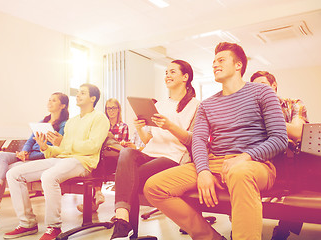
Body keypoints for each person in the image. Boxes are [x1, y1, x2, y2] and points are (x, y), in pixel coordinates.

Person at [144, 42, 289, 240]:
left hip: (254, 164)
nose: (214, 65)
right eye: (213, 62)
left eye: (221, 60)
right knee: (155, 186)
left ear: (238, 65)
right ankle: (210, 237)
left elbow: (280, 138)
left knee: (240, 172)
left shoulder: (262, 93)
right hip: (215, 163)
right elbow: (199, 141)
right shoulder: (207, 104)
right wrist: (203, 170)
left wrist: (244, 157)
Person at [4, 84, 110, 240]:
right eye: (78, 92)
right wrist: (45, 147)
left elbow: (92, 146)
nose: (78, 95)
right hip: (63, 159)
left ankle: (54, 227)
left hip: (83, 162)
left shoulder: (99, 118)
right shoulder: (72, 121)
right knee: (13, 174)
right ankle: (27, 223)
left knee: (48, 176)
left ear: (93, 98)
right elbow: (62, 149)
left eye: (83, 93)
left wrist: (64, 144)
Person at [110, 60, 200, 240]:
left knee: (130, 177)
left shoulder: (196, 105)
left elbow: (193, 140)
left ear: (185, 77)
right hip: (151, 153)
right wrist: (140, 127)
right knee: (126, 153)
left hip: (174, 156)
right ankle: (124, 221)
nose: (167, 75)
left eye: (172, 72)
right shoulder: (159, 105)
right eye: (166, 72)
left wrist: (170, 126)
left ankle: (125, 230)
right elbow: (148, 140)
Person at [0, 92, 69, 233]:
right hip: (29, 155)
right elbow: (29, 141)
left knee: (6, 169)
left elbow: (56, 149)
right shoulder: (42, 122)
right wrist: (24, 152)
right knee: (1, 156)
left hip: (42, 157)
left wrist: (29, 156)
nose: (49, 102)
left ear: (63, 105)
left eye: (54, 100)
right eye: (49, 99)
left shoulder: (64, 125)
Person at [250, 71, 308, 240]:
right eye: (255, 88)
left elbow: (297, 132)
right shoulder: (251, 109)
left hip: (290, 162)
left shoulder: (294, 104)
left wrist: (270, 119)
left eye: (262, 85)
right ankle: (243, 229)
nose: (258, 91)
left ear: (274, 86)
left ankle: (283, 230)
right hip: (263, 159)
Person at [76, 98, 129, 212]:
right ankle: (96, 196)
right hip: (102, 157)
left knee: (97, 158)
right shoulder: (102, 124)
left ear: (118, 109)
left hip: (115, 157)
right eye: (108, 108)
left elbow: (122, 148)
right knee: (96, 159)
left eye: (113, 108)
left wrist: (115, 140)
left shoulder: (123, 126)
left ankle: (95, 198)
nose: (111, 111)